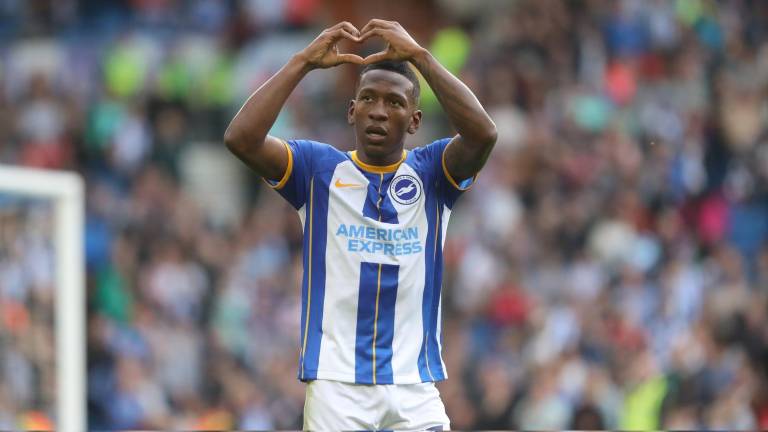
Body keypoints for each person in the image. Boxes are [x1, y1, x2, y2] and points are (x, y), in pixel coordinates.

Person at [224, 19, 497, 430]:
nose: (379, 112)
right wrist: (301, 62)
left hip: (414, 386)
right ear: (352, 111)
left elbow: (483, 135)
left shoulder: (433, 173)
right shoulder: (317, 169)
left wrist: (420, 57)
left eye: (395, 102)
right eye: (368, 98)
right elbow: (241, 138)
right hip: (337, 387)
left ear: (414, 120)